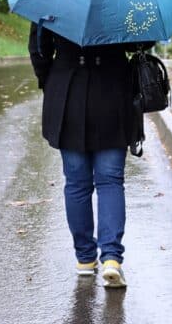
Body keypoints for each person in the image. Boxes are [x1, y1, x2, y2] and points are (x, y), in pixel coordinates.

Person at [28, 23, 153, 288]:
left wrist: (51, 81)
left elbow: (38, 47)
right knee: (110, 180)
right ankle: (111, 258)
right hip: (113, 91)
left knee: (76, 182)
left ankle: (85, 260)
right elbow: (138, 43)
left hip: (67, 91)